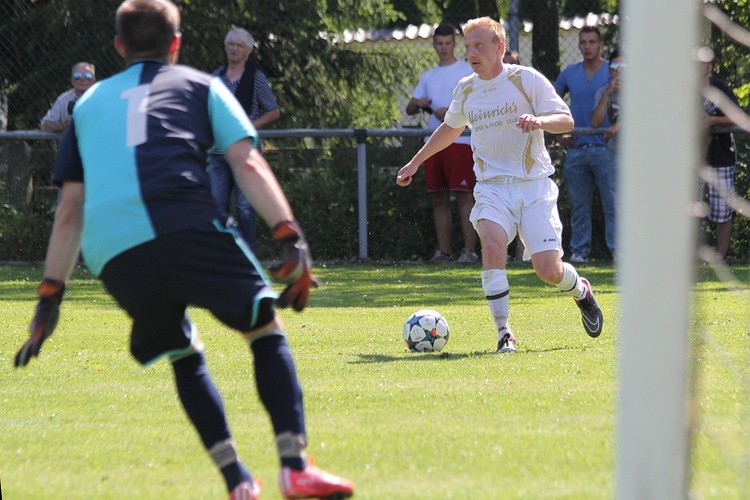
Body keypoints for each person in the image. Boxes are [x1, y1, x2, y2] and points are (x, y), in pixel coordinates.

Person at [13, 1, 354, 499]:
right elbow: (247, 163)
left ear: (118, 47)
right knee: (263, 327)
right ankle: (294, 466)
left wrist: (50, 295)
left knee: (182, 353)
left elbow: (70, 211)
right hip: (186, 223)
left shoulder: (85, 105)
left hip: (114, 250)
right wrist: (289, 236)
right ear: (176, 44)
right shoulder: (203, 85)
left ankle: (238, 482)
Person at [396, 17, 604, 354]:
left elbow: (566, 119)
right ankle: (504, 332)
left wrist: (539, 121)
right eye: (469, 48)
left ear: (500, 48)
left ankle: (581, 291)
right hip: (492, 187)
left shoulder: (526, 80)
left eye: (480, 46)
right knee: (492, 246)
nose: (473, 54)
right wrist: (416, 161)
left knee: (547, 270)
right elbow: (449, 129)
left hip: (534, 187)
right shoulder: (466, 88)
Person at [405, 23, 478, 264]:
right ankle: (444, 252)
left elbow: (475, 104)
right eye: (440, 43)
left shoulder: (467, 71)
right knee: (439, 197)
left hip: (460, 141)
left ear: (454, 44)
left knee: (465, 195)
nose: (444, 48)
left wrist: (451, 112)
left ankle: (469, 252)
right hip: (431, 142)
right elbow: (410, 107)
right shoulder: (429, 75)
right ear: (434, 45)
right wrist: (418, 103)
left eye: (448, 43)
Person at [208, 27, 280, 250]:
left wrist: (248, 126)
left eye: (239, 46)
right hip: (218, 152)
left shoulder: (256, 78)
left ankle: (248, 254)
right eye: (231, 44)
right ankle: (221, 253)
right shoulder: (215, 78)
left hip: (246, 151)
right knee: (217, 206)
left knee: (245, 206)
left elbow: (273, 111)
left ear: (248, 51)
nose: (234, 49)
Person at [555, 26, 616, 262]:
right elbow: (549, 103)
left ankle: (618, 252)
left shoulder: (612, 73)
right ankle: (580, 252)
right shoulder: (569, 73)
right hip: (577, 149)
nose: (587, 46)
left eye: (592, 42)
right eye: (583, 42)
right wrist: (558, 133)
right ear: (579, 45)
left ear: (600, 45)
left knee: (613, 204)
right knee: (579, 206)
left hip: (606, 148)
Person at [702, 60, 739, 261]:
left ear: (709, 66)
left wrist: (714, 121)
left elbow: (738, 117)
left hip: (721, 155)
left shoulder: (720, 88)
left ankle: (721, 256)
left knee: (722, 210)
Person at [40, 62, 97, 132]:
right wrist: (63, 125)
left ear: (94, 81)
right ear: (72, 80)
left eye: (88, 76)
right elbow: (45, 125)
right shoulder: (63, 100)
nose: (82, 79)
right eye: (78, 76)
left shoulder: (102, 100)